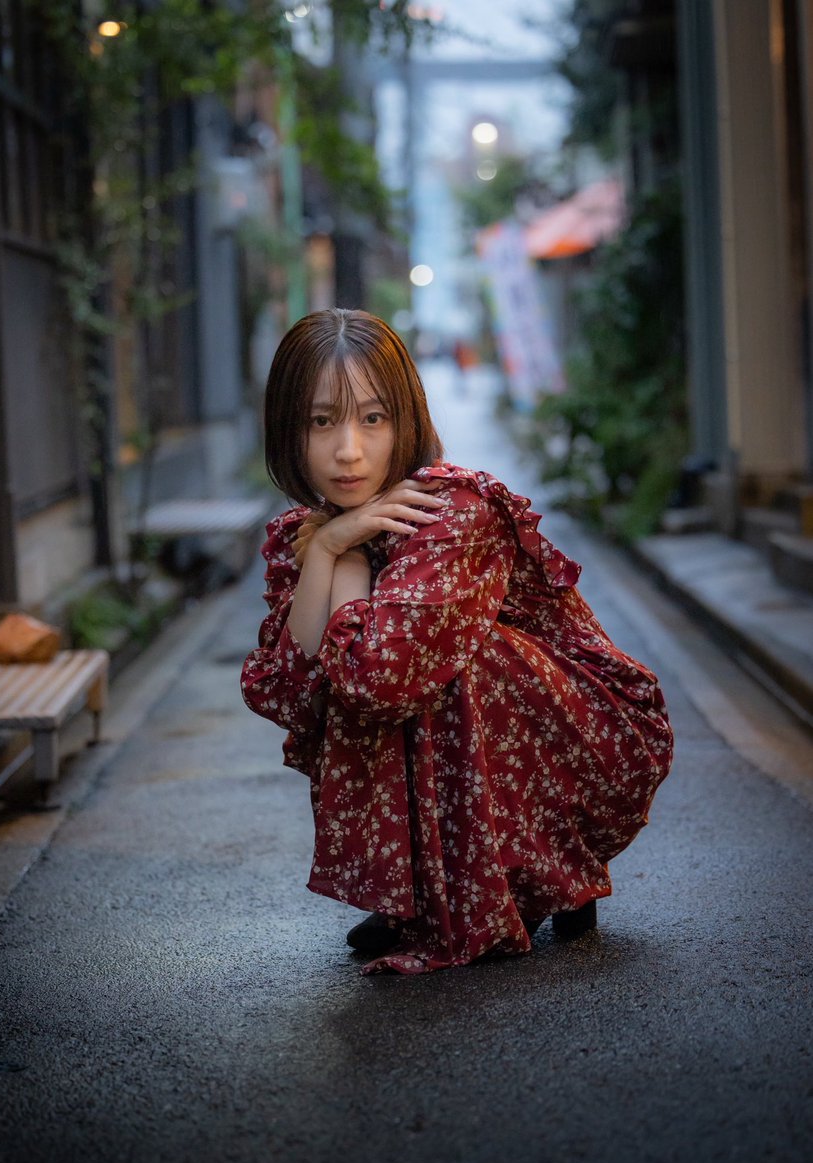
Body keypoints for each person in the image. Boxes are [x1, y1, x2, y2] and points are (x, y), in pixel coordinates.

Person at [240, 309, 675, 976]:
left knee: (448, 665)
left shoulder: (451, 512)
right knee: (347, 679)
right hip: (456, 714)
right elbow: (289, 689)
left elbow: (376, 679)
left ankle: (542, 866)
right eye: (321, 421)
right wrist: (329, 548)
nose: (348, 450)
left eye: (373, 419)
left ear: (405, 419)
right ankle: (418, 887)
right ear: (286, 430)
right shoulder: (313, 529)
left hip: (582, 735)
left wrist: (343, 561)